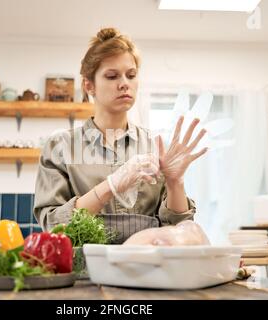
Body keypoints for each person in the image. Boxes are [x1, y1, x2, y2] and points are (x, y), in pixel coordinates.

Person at [34, 27, 207, 243]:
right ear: (89, 85)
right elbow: (53, 227)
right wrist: (111, 186)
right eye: (112, 76)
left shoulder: (155, 146)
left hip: (149, 271)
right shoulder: (60, 147)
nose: (124, 83)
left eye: (131, 75)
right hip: (84, 272)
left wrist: (175, 182)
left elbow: (177, 230)